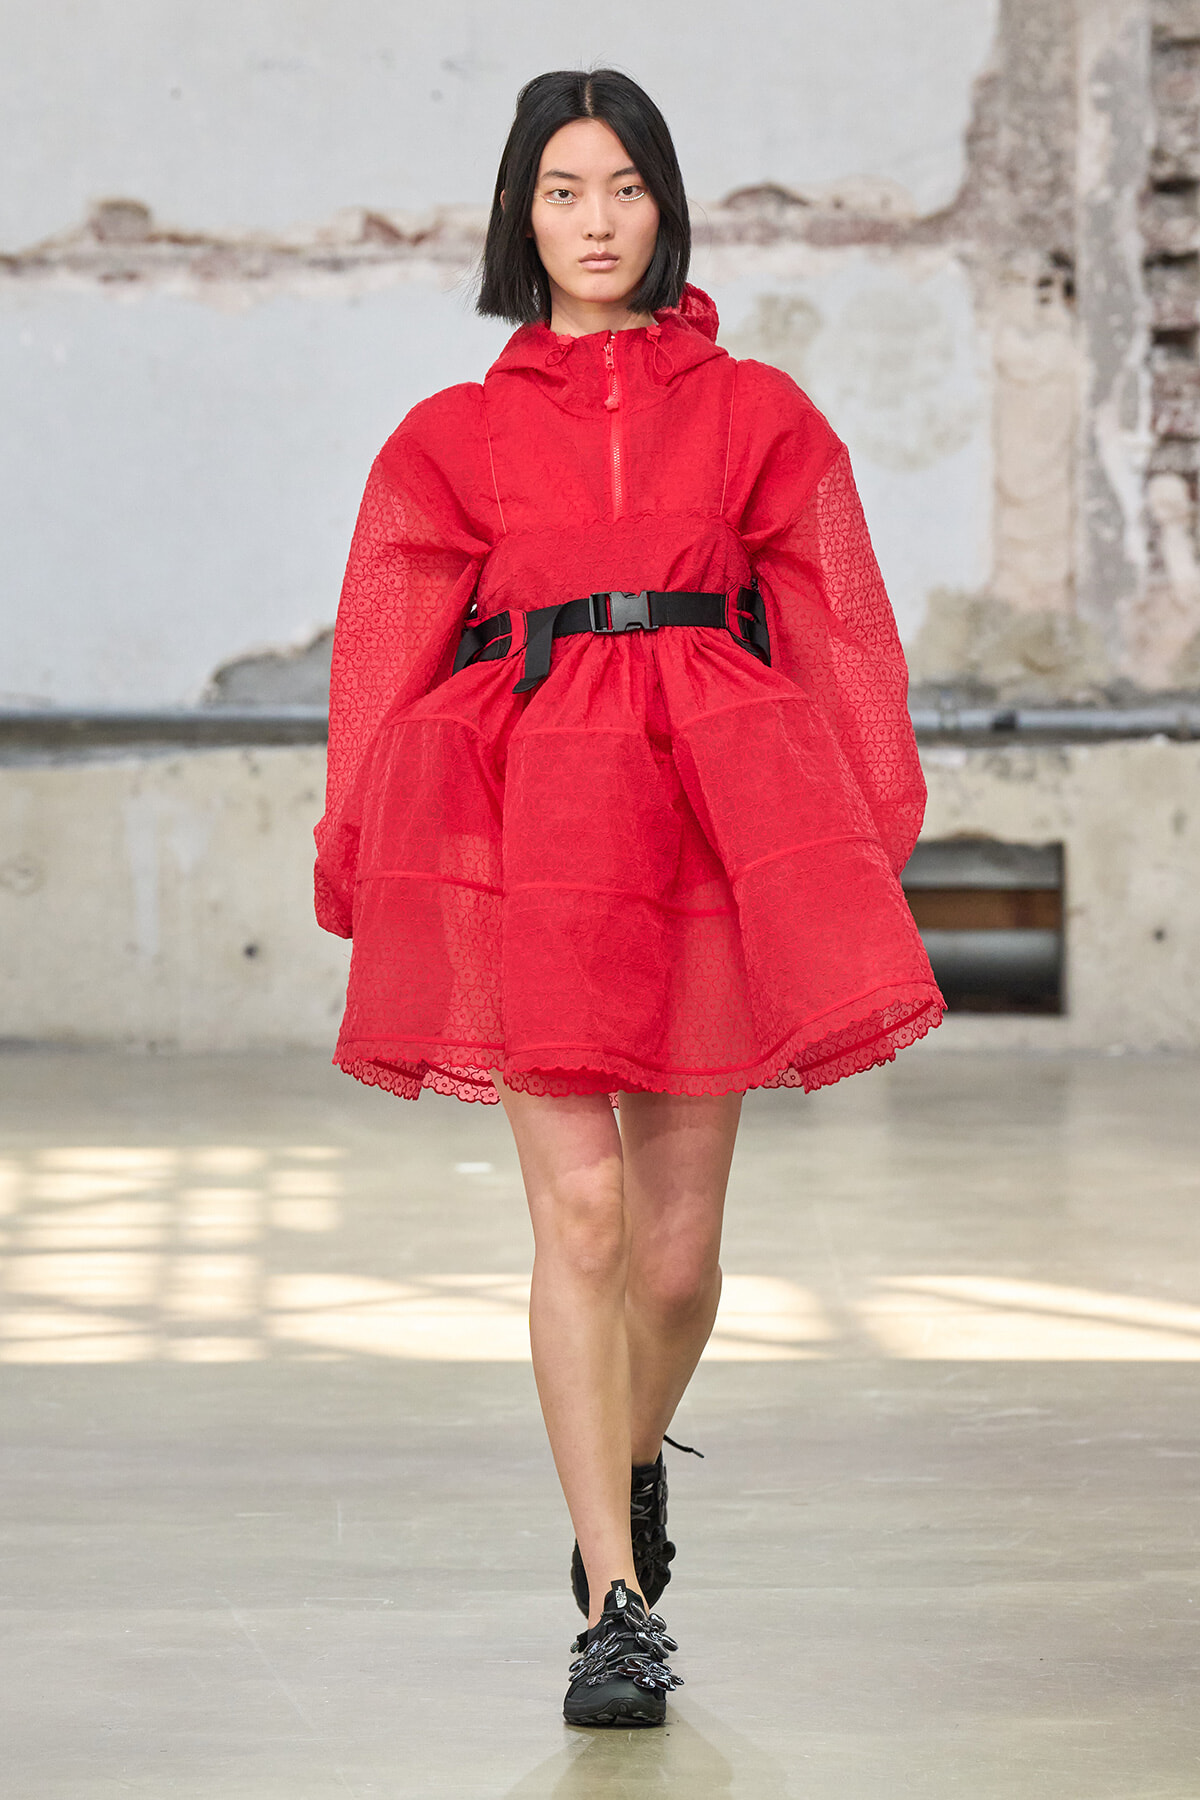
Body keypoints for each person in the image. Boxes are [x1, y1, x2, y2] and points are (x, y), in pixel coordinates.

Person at [314, 68, 943, 1729]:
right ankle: (610, 1599)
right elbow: (380, 654)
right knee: (578, 1223)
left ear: (668, 205)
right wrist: (354, 845)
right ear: (521, 218)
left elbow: (844, 633)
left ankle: (636, 1453)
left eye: (624, 189)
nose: (596, 223)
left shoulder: (763, 416)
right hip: (526, 821)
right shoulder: (452, 435)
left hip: (706, 834)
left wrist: (864, 837)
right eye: (561, 193)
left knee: (671, 1264)